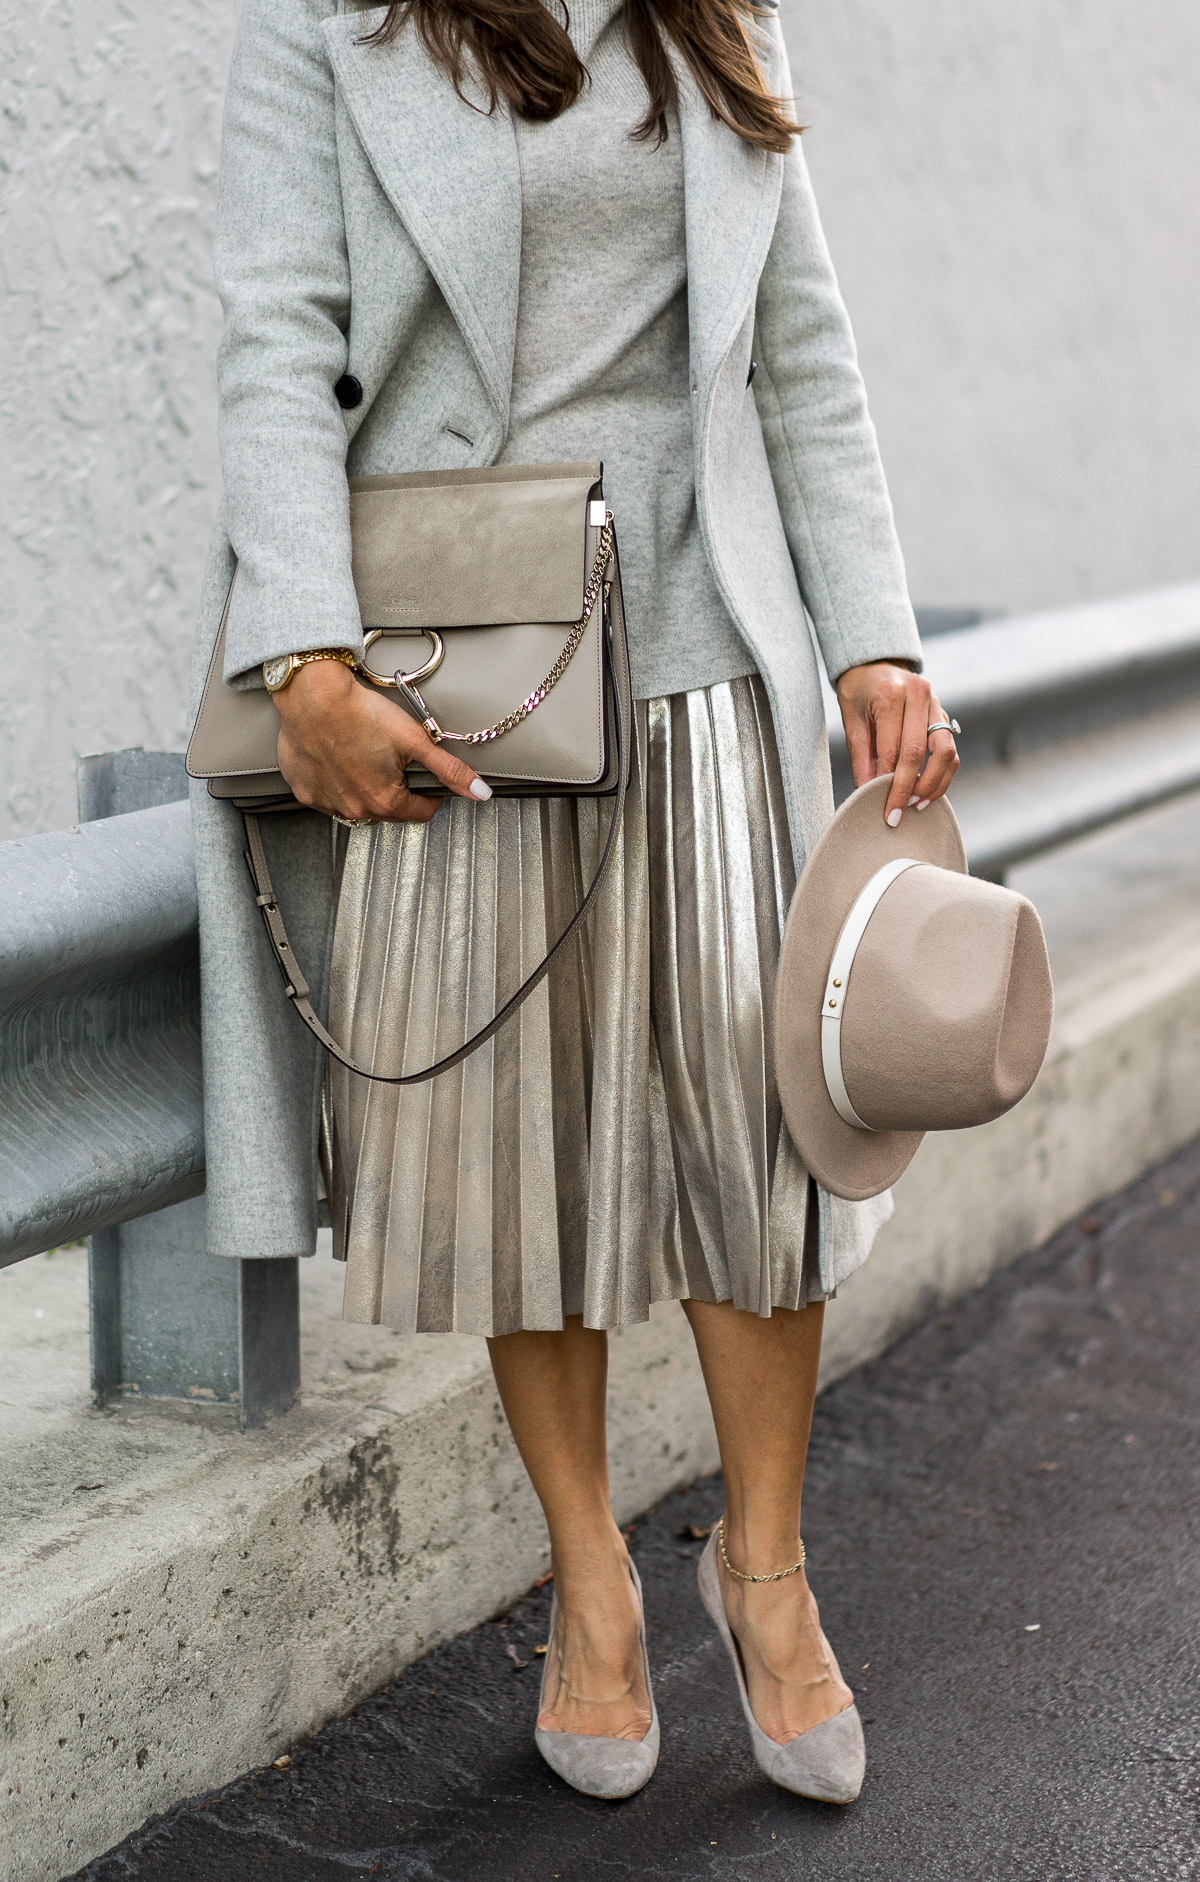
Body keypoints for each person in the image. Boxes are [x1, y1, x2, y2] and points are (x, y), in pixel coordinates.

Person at [193, 0, 959, 1802]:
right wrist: (301, 646)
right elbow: (271, 330)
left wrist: (876, 631)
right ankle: (593, 1576)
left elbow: (801, 346)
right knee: (518, 1151)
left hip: (707, 659)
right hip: (466, 674)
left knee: (763, 1151)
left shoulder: (713, 16)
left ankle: (764, 1567)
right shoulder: (329, 24)